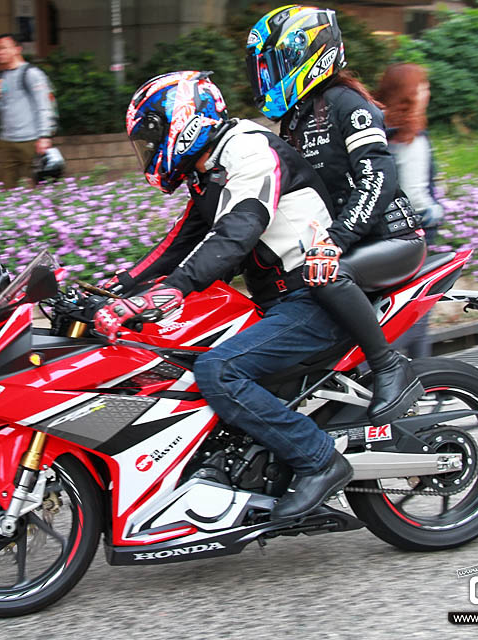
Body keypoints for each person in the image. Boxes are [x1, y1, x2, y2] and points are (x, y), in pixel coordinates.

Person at [94, 71, 353, 522]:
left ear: (184, 119)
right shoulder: (209, 169)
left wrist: (173, 290)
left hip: (313, 296)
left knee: (219, 370)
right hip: (276, 300)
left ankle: (320, 460)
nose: (150, 151)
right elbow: (179, 243)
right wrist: (114, 289)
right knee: (177, 356)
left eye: (152, 137)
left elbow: (236, 233)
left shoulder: (249, 149)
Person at [246, 5, 427, 426]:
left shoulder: (346, 104)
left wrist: (336, 241)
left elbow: (378, 178)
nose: (266, 77)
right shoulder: (293, 120)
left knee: (326, 273)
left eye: (273, 66)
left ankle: (388, 366)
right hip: (348, 246)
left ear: (304, 55)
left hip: (394, 240)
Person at [376, 62, 445, 358]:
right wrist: (439, 210)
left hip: (380, 239)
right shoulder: (412, 138)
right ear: (411, 94)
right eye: (423, 87)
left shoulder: (378, 129)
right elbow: (417, 200)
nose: (427, 92)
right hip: (414, 239)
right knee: (416, 313)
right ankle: (425, 381)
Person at [0, 33, 55, 188]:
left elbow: (44, 106)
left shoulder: (31, 74)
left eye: (3, 48)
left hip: (31, 141)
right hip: (7, 141)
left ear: (17, 49)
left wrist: (44, 136)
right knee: (8, 191)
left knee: (36, 189)